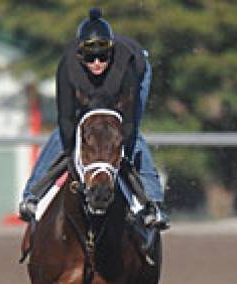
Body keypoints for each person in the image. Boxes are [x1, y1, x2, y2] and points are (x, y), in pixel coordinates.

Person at [18, 7, 169, 229]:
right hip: (88, 95)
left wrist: (118, 153)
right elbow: (66, 120)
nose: (97, 62)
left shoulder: (126, 67)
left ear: (112, 52)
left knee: (131, 136)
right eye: (90, 57)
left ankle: (154, 204)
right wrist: (73, 153)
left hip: (133, 78)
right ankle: (32, 196)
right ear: (80, 55)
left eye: (103, 56)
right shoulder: (68, 68)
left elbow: (127, 125)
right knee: (63, 135)